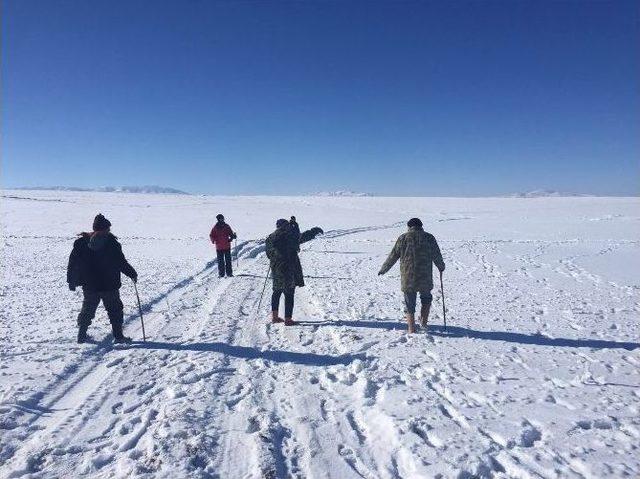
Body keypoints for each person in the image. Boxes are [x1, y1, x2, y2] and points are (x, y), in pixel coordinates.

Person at [67, 214, 138, 343]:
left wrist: (71, 280)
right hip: (109, 285)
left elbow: (73, 263)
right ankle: (119, 336)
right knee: (115, 310)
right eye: (108, 228)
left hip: (90, 285)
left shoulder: (81, 243)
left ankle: (81, 336)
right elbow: (120, 262)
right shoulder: (112, 243)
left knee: (87, 309)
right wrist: (132, 273)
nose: (109, 231)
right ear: (105, 229)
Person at [378, 218, 445, 334]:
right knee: (426, 298)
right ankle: (423, 324)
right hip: (425, 276)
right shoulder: (429, 238)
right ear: (421, 226)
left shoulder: (403, 238)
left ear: (409, 227)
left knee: (409, 303)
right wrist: (441, 266)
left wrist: (384, 269)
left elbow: (393, 256)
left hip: (408, 277)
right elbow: (436, 254)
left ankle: (411, 328)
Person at [265, 219, 323, 325]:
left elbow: (268, 254)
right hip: (289, 269)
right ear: (286, 226)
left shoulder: (270, 237)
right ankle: (288, 319)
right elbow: (302, 237)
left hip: (276, 269)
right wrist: (313, 231)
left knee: (276, 292)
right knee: (289, 293)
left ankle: (275, 317)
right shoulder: (290, 236)